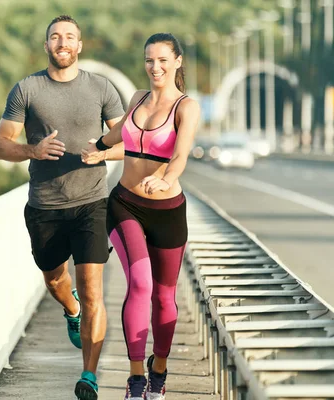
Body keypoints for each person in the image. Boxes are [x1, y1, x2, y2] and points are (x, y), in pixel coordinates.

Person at [0, 15, 125, 400]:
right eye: (55, 37)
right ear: (46, 44)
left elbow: (125, 141)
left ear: (80, 45)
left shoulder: (102, 88)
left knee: (93, 290)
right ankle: (71, 310)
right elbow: (1, 145)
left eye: (69, 37)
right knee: (56, 281)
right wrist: (32, 150)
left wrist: (99, 149)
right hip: (45, 206)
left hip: (91, 203)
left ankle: (89, 376)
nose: (62, 42)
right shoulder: (27, 89)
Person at [82, 33, 200, 399]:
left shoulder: (186, 107)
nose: (155, 67)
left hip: (167, 209)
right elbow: (123, 133)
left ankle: (158, 372)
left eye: (163, 60)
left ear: (177, 61)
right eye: (149, 60)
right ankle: (135, 380)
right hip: (126, 204)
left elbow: (179, 157)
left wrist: (163, 177)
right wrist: (99, 148)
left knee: (164, 296)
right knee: (141, 285)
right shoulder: (136, 99)